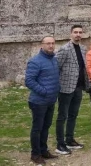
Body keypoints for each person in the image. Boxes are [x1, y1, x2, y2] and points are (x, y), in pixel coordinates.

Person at [25, 36, 60, 165]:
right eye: (48, 43)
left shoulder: (54, 60)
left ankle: (43, 150)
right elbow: (29, 81)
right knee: (37, 128)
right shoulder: (35, 61)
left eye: (53, 43)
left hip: (51, 100)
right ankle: (35, 154)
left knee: (46, 126)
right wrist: (44, 91)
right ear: (42, 45)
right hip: (38, 102)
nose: (51, 46)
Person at [54, 25, 87, 155]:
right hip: (65, 88)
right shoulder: (64, 49)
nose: (78, 34)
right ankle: (60, 144)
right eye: (75, 32)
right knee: (62, 116)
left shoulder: (83, 49)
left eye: (80, 32)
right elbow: (56, 67)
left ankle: (69, 139)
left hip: (78, 87)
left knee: (73, 115)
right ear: (71, 34)